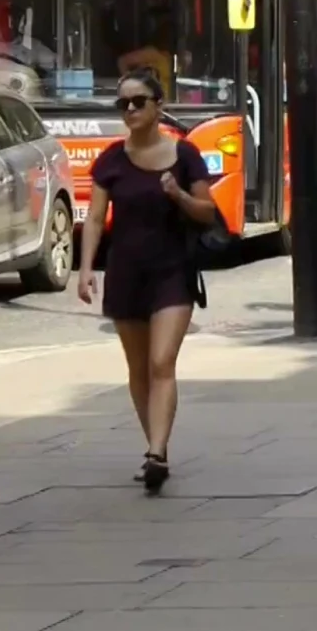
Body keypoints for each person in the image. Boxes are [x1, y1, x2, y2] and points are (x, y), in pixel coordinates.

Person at [75, 67, 224, 492]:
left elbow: (208, 212)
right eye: (123, 103)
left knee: (161, 362)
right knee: (138, 368)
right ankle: (155, 448)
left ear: (159, 105)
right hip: (126, 273)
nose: (131, 110)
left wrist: (177, 195)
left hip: (172, 271)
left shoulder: (185, 155)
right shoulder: (111, 161)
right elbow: (96, 221)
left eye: (139, 101)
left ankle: (157, 451)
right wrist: (86, 270)